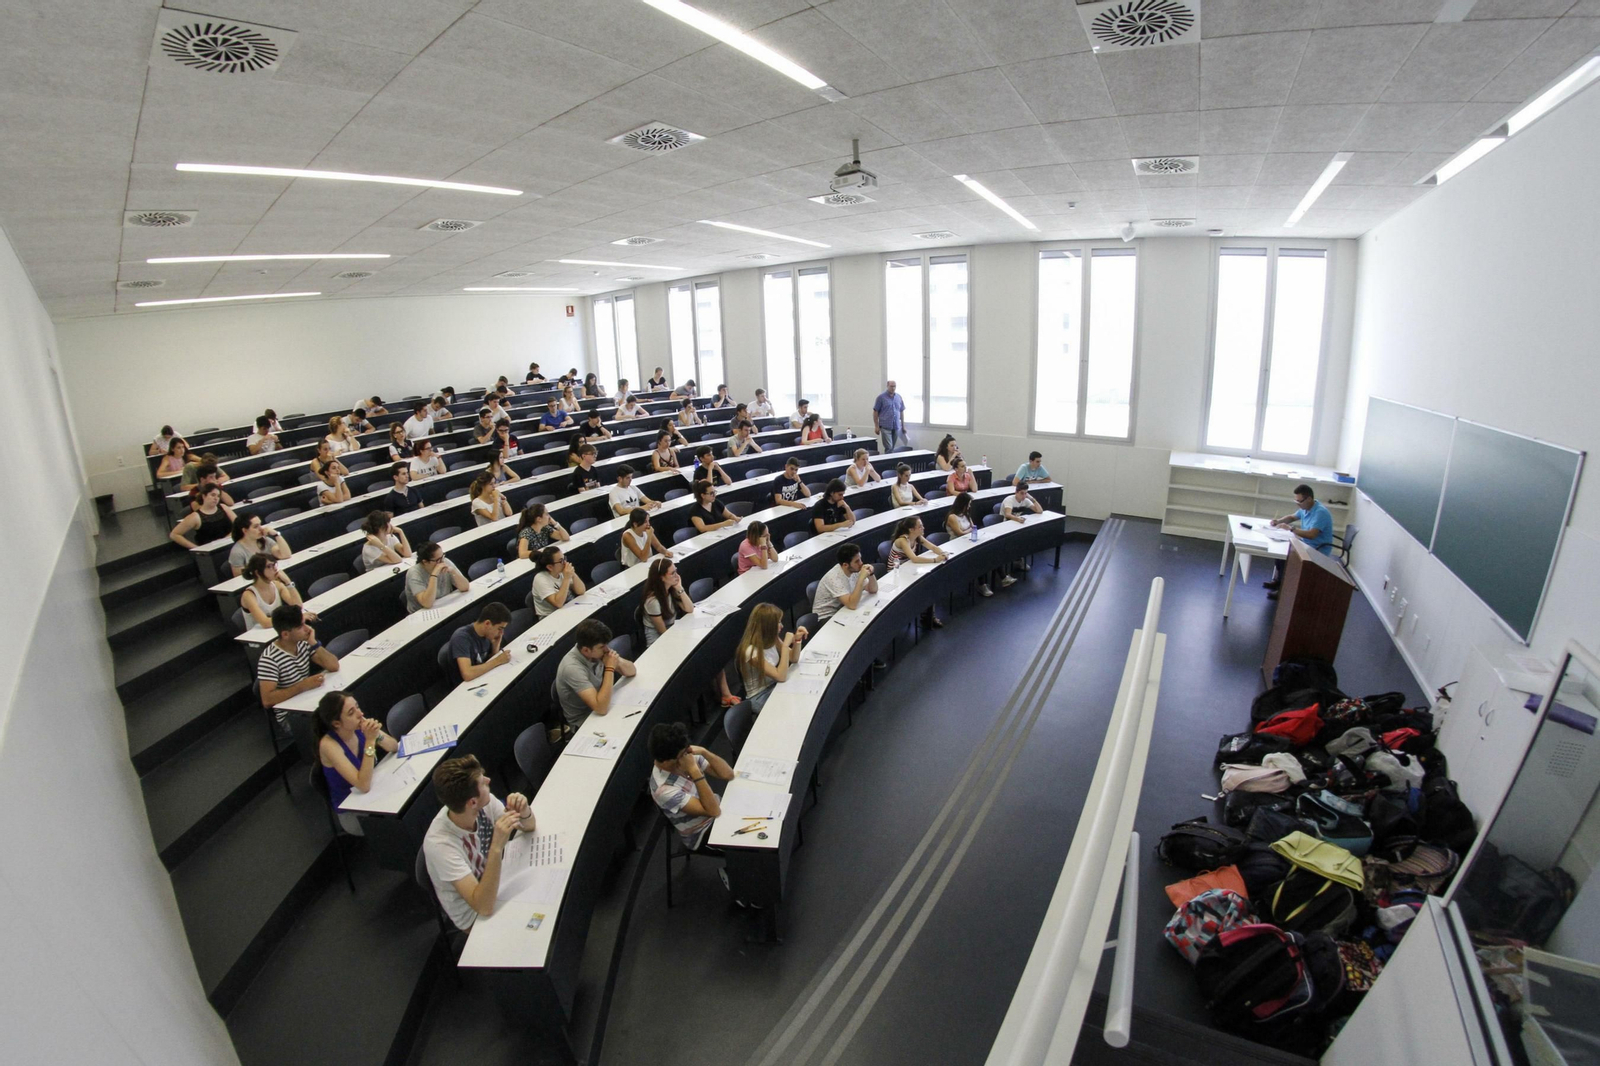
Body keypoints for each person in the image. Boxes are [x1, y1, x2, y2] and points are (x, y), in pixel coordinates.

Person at [422, 755, 536, 931]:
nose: (489, 780)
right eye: (483, 782)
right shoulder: (440, 845)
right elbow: (483, 906)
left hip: (500, 877)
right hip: (475, 914)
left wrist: (525, 811)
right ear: (472, 802)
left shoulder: (484, 803)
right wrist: (496, 848)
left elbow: (528, 827)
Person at [648, 722, 736, 854]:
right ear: (666, 761)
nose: (688, 755)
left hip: (720, 808)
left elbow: (728, 774)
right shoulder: (663, 789)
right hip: (702, 833)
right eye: (683, 754)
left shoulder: (684, 755)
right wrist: (694, 771)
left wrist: (704, 752)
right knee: (749, 847)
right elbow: (714, 811)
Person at [313, 690, 398, 825]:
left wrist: (377, 735)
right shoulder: (328, 745)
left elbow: (394, 746)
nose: (360, 714)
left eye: (357, 706)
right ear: (336, 723)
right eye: (351, 712)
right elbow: (363, 785)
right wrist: (370, 741)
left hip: (374, 791)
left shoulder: (358, 726)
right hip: (353, 811)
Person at [257, 604, 340, 730]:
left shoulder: (303, 643)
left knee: (344, 714)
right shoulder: (269, 659)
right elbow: (267, 700)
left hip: (308, 701)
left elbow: (334, 666)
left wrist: (314, 643)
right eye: (301, 626)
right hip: (291, 716)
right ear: (285, 634)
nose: (308, 629)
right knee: (338, 725)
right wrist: (302, 686)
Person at [555, 618, 637, 730]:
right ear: (585, 650)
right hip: (584, 720)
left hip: (603, 702)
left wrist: (616, 661)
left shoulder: (597, 650)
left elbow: (632, 671)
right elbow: (601, 708)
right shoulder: (572, 668)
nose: (607, 649)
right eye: (602, 647)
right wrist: (609, 668)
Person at [1264, 484, 1336, 600]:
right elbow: (1292, 517)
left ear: (1309, 499)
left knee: (1287, 555)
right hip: (1306, 544)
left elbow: (1312, 535)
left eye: (1300, 501)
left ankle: (1283, 589)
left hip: (1317, 549)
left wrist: (1292, 529)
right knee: (1280, 549)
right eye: (1296, 501)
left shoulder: (1320, 513)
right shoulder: (1306, 508)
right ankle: (1278, 581)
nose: (1298, 504)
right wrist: (1278, 521)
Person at [735, 603, 805, 713]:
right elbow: (780, 676)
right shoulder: (751, 652)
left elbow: (793, 658)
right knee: (795, 707)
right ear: (768, 625)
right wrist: (786, 646)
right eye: (778, 622)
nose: (782, 625)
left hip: (774, 685)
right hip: (760, 696)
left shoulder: (772, 638)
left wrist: (797, 641)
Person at [887, 515, 947, 629]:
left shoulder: (918, 536)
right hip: (895, 571)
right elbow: (914, 558)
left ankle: (929, 615)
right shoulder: (903, 540)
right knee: (923, 585)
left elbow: (933, 547)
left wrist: (942, 553)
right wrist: (935, 560)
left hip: (908, 568)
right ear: (911, 529)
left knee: (930, 582)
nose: (923, 528)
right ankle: (926, 614)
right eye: (920, 526)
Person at [945, 492, 1009, 594]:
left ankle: (1004, 577)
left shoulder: (966, 514)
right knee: (980, 556)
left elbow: (973, 527)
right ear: (963, 504)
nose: (969, 506)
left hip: (969, 541)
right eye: (968, 504)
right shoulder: (952, 517)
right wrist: (970, 530)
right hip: (957, 545)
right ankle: (982, 585)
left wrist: (971, 530)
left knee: (992, 551)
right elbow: (959, 533)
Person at [239, 554, 311, 629]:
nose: (275, 569)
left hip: (278, 629)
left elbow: (298, 607)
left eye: (274, 565)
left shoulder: (278, 585)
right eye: (269, 566)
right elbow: (265, 623)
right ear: (257, 573)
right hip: (259, 636)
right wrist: (296, 618)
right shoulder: (249, 595)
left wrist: (288, 583)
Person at [813, 542, 878, 623]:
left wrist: (871, 574)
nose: (861, 563)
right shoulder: (834, 577)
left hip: (843, 609)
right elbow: (852, 605)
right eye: (857, 561)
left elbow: (873, 589)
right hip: (826, 617)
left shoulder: (854, 569)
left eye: (860, 559)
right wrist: (861, 578)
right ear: (845, 565)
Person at [450, 602, 512, 683]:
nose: (501, 633)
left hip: (483, 677)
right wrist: (497, 661)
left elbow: (487, 661)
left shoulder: (487, 635)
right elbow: (467, 674)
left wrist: (495, 646)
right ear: (487, 623)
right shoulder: (461, 637)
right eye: (500, 628)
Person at [404, 541, 469, 613]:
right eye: (438, 560)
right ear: (425, 562)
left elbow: (465, 587)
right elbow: (427, 603)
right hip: (422, 612)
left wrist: (453, 571)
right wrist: (434, 575)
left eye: (443, 556)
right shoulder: (414, 573)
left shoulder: (445, 562)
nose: (442, 562)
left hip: (444, 604)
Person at [169, 484, 234, 549]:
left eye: (218, 496)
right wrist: (197, 548)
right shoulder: (195, 516)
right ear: (204, 496)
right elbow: (174, 534)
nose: (216, 498)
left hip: (231, 544)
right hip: (212, 550)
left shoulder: (223, 507)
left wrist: (228, 537)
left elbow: (238, 524)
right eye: (213, 495)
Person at [528, 545, 586, 618]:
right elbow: (558, 603)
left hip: (570, 607)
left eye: (564, 558)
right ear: (550, 567)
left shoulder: (562, 571)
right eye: (561, 561)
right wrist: (567, 578)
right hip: (551, 616)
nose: (565, 563)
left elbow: (581, 591)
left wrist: (572, 574)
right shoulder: (540, 579)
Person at [228, 512, 291, 576]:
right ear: (245, 530)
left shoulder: (265, 540)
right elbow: (239, 577)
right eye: (256, 526)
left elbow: (285, 555)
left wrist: (276, 535)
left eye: (260, 525)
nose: (261, 529)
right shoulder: (237, 552)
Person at [873, 380, 909, 452]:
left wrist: (903, 426)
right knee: (889, 447)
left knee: (892, 448)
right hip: (885, 426)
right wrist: (876, 426)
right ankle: (888, 462)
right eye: (891, 386)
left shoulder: (899, 397)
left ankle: (889, 461)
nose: (893, 388)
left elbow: (901, 411)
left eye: (894, 386)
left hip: (896, 426)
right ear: (887, 386)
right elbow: (875, 411)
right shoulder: (881, 397)